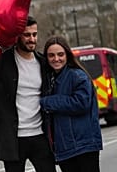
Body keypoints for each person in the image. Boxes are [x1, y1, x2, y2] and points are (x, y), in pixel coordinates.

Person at [0, 16, 56, 172]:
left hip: (39, 135)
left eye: (34, 35)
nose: (32, 39)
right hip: (13, 138)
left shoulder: (43, 63)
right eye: (27, 35)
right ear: (17, 36)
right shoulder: (1, 62)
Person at [40, 35, 102, 172]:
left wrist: (47, 102)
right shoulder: (51, 79)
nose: (56, 59)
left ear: (67, 55)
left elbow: (81, 103)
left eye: (60, 54)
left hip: (83, 147)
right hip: (65, 149)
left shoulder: (77, 75)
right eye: (51, 55)